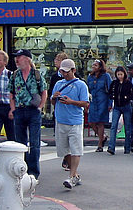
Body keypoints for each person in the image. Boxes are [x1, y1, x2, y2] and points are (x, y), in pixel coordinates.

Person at [9, 49, 47, 179]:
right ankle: (21, 170)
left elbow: (44, 91)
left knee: (34, 143)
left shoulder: (36, 75)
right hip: (19, 111)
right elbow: (11, 93)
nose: (16, 60)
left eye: (19, 57)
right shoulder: (15, 75)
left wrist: (40, 107)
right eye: (16, 58)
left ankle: (33, 172)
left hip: (33, 111)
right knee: (20, 143)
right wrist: (13, 109)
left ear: (27, 59)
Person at [51, 59, 89, 189]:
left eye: (67, 72)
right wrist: (54, 98)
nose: (64, 74)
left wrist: (71, 102)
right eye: (62, 71)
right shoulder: (58, 84)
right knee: (64, 151)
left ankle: (72, 177)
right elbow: (52, 102)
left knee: (76, 150)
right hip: (60, 120)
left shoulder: (81, 85)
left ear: (73, 70)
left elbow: (85, 103)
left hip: (75, 121)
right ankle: (75, 174)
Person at [107, 66, 133, 155]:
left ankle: (127, 147)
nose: (120, 76)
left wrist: (127, 98)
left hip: (126, 106)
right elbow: (110, 92)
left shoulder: (128, 83)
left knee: (127, 127)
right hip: (117, 106)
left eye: (121, 74)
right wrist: (112, 97)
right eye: (118, 74)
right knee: (113, 126)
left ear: (124, 74)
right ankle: (111, 147)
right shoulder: (114, 83)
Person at [87, 59, 112, 152]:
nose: (93, 67)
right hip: (93, 102)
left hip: (103, 101)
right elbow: (88, 90)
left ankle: (100, 144)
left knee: (100, 123)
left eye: (96, 65)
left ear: (100, 67)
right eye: (93, 65)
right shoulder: (90, 77)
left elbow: (110, 90)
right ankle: (103, 137)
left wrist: (110, 103)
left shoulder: (106, 76)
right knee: (91, 122)